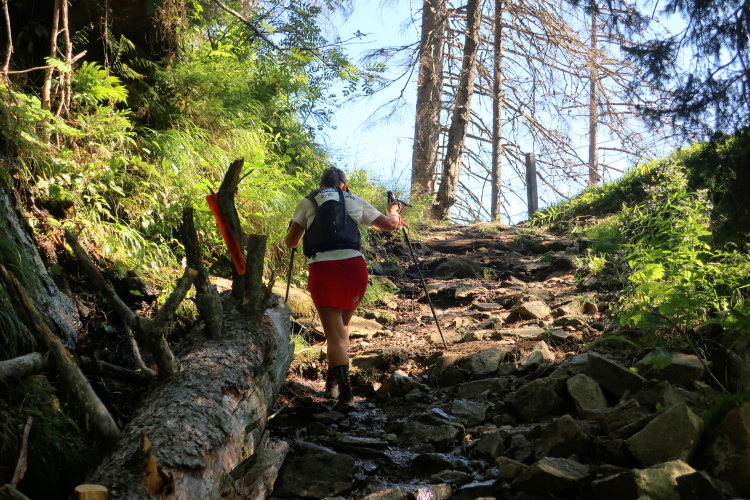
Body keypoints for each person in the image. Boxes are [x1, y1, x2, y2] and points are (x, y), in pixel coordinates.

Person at [284, 167, 401, 410]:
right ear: (344, 186)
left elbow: (291, 242)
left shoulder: (307, 202)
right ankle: (332, 382)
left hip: (324, 270)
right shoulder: (353, 200)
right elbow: (391, 225)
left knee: (334, 335)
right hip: (354, 269)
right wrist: (394, 210)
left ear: (321, 185)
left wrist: (296, 226)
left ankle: (346, 394)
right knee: (342, 327)